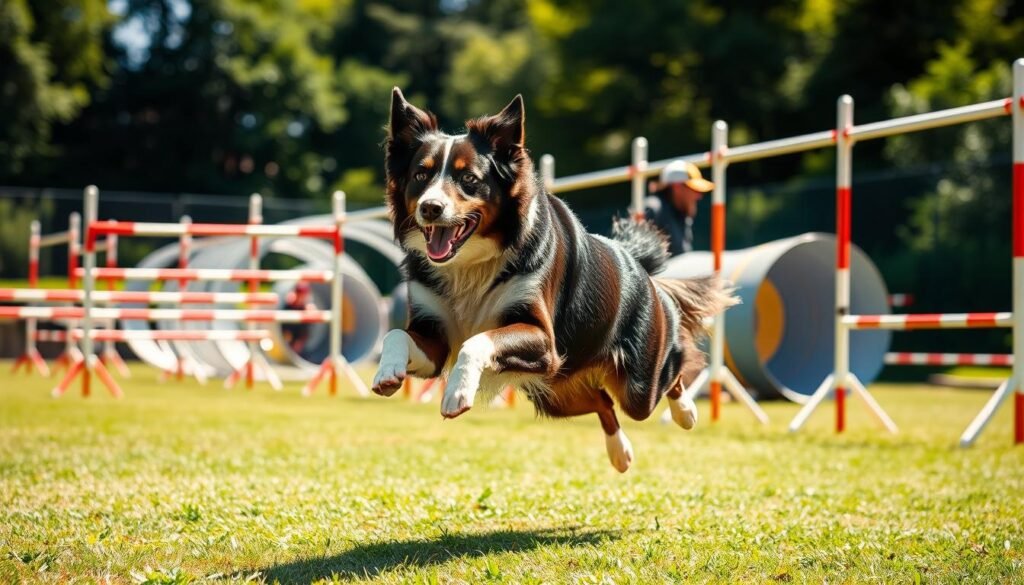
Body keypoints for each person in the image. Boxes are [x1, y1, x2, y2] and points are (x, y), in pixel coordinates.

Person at [644, 160, 714, 256]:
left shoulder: (683, 216)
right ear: (677, 186)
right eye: (694, 189)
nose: (699, 196)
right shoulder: (652, 209)